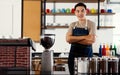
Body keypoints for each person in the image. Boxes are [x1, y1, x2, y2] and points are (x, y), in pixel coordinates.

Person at [66, 2, 96, 75]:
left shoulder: (91, 24)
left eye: (82, 10)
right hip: (73, 58)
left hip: (87, 58)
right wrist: (85, 37)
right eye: (78, 11)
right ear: (75, 12)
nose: (80, 13)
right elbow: (68, 39)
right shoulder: (72, 24)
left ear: (86, 11)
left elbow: (91, 40)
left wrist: (74, 40)